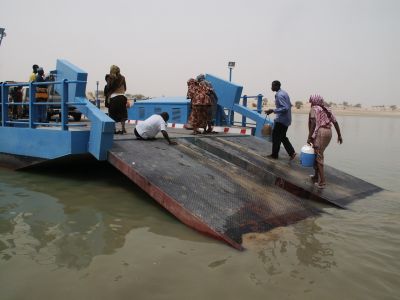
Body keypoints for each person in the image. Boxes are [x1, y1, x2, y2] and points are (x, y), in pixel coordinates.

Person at [307, 94, 343, 188]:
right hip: (328, 133)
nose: (310, 103)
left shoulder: (314, 109)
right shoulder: (327, 109)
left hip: (321, 132)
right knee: (318, 153)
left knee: (318, 155)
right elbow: (335, 122)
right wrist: (339, 135)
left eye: (311, 101)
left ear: (314, 101)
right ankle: (315, 177)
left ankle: (322, 182)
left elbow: (313, 123)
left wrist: (309, 136)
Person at [265, 80, 296, 160]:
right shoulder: (284, 93)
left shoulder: (279, 95)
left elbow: (285, 108)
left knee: (275, 136)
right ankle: (292, 153)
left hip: (281, 120)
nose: (271, 87)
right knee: (282, 137)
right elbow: (289, 105)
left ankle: (274, 155)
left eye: (272, 86)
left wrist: (273, 110)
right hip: (286, 119)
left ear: (277, 86)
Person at [105, 65, 128, 134]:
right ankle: (123, 128)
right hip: (122, 97)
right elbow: (125, 88)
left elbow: (108, 88)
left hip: (113, 98)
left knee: (112, 114)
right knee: (123, 113)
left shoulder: (109, 77)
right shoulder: (122, 78)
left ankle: (114, 129)